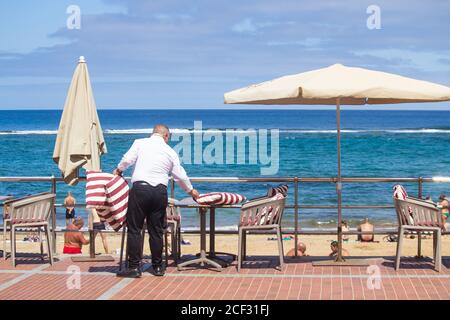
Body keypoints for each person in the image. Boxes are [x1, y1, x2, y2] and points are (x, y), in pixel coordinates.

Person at [115, 124, 199, 278]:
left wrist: (119, 170)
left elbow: (127, 160)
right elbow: (180, 175)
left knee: (135, 229)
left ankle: (134, 267)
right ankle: (158, 267)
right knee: (157, 231)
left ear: (153, 133)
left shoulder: (140, 143)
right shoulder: (170, 151)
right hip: (159, 193)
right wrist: (191, 190)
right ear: (166, 136)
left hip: (140, 190)